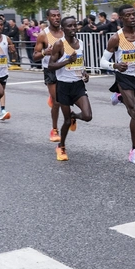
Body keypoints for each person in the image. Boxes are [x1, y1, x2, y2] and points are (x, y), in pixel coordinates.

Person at [100, 4, 135, 164]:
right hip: (124, 78)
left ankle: (120, 97)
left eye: (133, 14)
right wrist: (115, 65)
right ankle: (134, 151)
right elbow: (102, 61)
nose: (131, 17)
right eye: (128, 15)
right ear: (121, 18)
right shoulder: (116, 38)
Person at [48, 16, 92, 161]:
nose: (73, 28)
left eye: (74, 25)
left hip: (78, 85)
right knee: (66, 121)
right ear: (63, 29)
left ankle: (75, 116)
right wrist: (67, 61)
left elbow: (79, 62)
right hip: (64, 86)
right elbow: (51, 66)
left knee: (87, 116)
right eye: (69, 26)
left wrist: (84, 73)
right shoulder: (59, 44)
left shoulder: (81, 43)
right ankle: (61, 146)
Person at [33, 9, 64, 143]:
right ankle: (54, 129)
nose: (56, 18)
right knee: (57, 101)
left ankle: (71, 116)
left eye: (58, 15)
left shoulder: (65, 32)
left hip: (65, 69)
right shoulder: (43, 35)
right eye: (53, 16)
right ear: (48, 18)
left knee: (69, 98)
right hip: (50, 70)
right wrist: (44, 52)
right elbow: (35, 56)